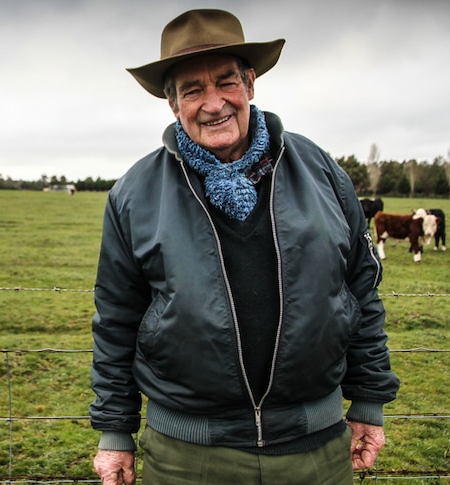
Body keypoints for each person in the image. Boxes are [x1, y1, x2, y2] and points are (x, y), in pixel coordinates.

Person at [89, 9, 399, 485]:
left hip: (316, 449)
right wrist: (115, 432)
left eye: (226, 82)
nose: (213, 103)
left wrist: (370, 399)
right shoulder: (134, 194)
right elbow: (116, 319)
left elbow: (361, 290)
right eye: (192, 90)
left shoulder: (320, 172)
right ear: (172, 104)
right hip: (187, 456)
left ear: (250, 84)